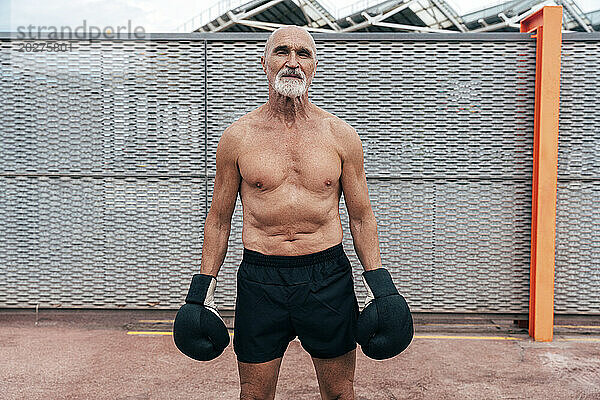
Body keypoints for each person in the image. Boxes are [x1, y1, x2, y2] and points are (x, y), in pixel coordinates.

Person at [173, 25, 413, 400]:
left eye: (304, 53)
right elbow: (219, 219)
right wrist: (201, 291)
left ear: (315, 65)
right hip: (261, 278)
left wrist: (381, 286)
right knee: (253, 396)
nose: (292, 62)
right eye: (282, 51)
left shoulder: (340, 135)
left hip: (327, 277)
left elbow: (361, 216)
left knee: (339, 394)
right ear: (264, 62)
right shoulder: (238, 137)